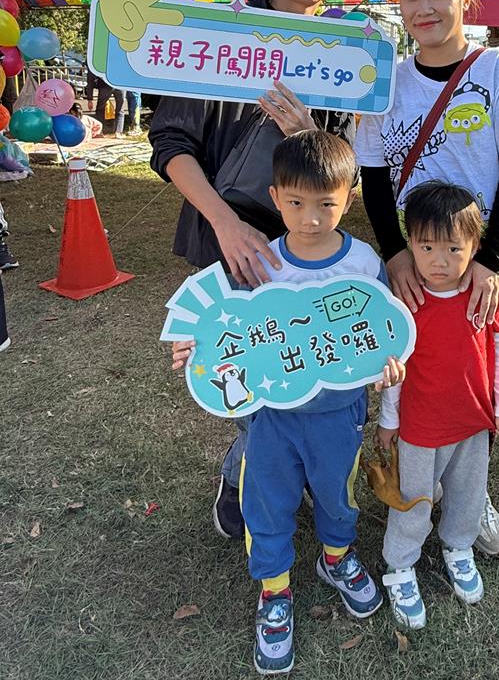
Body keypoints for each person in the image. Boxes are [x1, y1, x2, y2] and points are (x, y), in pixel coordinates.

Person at [150, 0, 357, 541]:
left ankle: (261, 471)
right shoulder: (223, 33)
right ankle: (244, 475)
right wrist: (224, 224)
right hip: (227, 235)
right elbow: (171, 143)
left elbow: (342, 166)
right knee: (242, 366)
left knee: (292, 365)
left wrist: (309, 134)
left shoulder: (346, 53)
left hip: (306, 245)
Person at [171, 131, 404, 674]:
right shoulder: (261, 261)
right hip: (272, 418)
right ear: (275, 197)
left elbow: (383, 334)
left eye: (326, 204)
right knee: (267, 500)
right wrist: (195, 347)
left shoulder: (364, 264)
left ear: (349, 196)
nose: (311, 218)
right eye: (296, 203)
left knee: (336, 493)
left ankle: (336, 557)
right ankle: (274, 591)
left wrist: (389, 370)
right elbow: (229, 330)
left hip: (339, 414)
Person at [355, 0, 499, 556]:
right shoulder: (384, 79)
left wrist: (493, 259)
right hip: (414, 261)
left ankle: (471, 492)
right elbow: (373, 176)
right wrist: (395, 253)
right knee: (415, 370)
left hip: (482, 260)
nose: (424, 7)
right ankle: (421, 480)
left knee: (475, 372)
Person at [376, 182, 499, 630]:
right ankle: (400, 564)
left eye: (454, 248)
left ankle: (459, 545)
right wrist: (389, 419)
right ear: (410, 244)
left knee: (469, 491)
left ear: (476, 247)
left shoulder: (486, 294)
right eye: (426, 247)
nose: (439, 260)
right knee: (413, 500)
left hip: (473, 421)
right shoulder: (405, 302)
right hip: (420, 428)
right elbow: (393, 367)